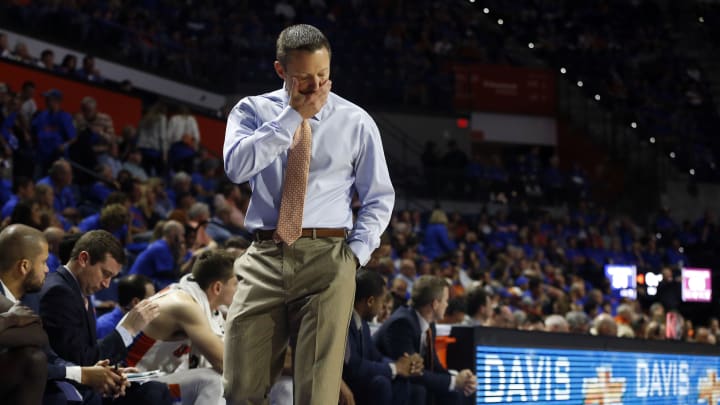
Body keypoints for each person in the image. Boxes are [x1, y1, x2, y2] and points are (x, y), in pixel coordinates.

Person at [222, 24, 394, 405]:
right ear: (281, 70)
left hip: (328, 259)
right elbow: (236, 167)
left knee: (317, 395)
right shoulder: (252, 110)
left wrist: (354, 256)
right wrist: (291, 118)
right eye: (303, 78)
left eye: (323, 75)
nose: (316, 87)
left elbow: (379, 197)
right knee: (239, 389)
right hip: (264, 256)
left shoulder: (356, 121)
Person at [38, 229, 172, 405]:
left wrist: (113, 372)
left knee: (156, 388)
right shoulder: (59, 292)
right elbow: (80, 362)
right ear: (83, 259)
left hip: (84, 385)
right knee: (152, 393)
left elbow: (86, 355)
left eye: (111, 278)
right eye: (105, 274)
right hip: (70, 392)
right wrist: (127, 330)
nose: (106, 284)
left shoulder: (78, 290)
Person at [125, 249, 237, 405]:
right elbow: (224, 364)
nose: (240, 289)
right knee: (216, 380)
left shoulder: (202, 302)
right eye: (236, 283)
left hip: (153, 378)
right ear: (217, 287)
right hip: (128, 381)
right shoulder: (184, 305)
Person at [374, 275, 477, 405]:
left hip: (409, 380)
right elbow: (412, 371)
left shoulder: (429, 324)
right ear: (435, 304)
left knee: (455, 391)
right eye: (445, 300)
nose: (447, 305)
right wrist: (454, 382)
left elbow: (433, 365)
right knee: (420, 389)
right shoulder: (402, 323)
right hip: (386, 381)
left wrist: (459, 379)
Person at [344, 269, 423, 405]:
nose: (381, 307)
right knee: (381, 383)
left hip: (361, 383)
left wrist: (405, 364)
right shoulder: (345, 324)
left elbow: (377, 357)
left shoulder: (363, 323)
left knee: (403, 381)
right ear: (370, 301)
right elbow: (353, 366)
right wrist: (395, 368)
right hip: (347, 386)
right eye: (381, 302)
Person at [97, 274, 155, 339]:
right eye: (151, 298)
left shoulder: (144, 321)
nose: (154, 302)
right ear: (135, 302)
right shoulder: (104, 326)